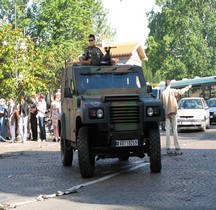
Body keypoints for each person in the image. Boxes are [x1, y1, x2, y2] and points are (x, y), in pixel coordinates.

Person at [160, 80, 192, 152]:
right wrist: (188, 87)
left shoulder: (163, 93)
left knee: (167, 129)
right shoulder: (173, 91)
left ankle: (167, 146)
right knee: (174, 129)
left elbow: (161, 102)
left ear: (165, 85)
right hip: (173, 112)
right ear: (170, 84)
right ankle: (176, 145)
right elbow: (181, 91)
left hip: (166, 112)